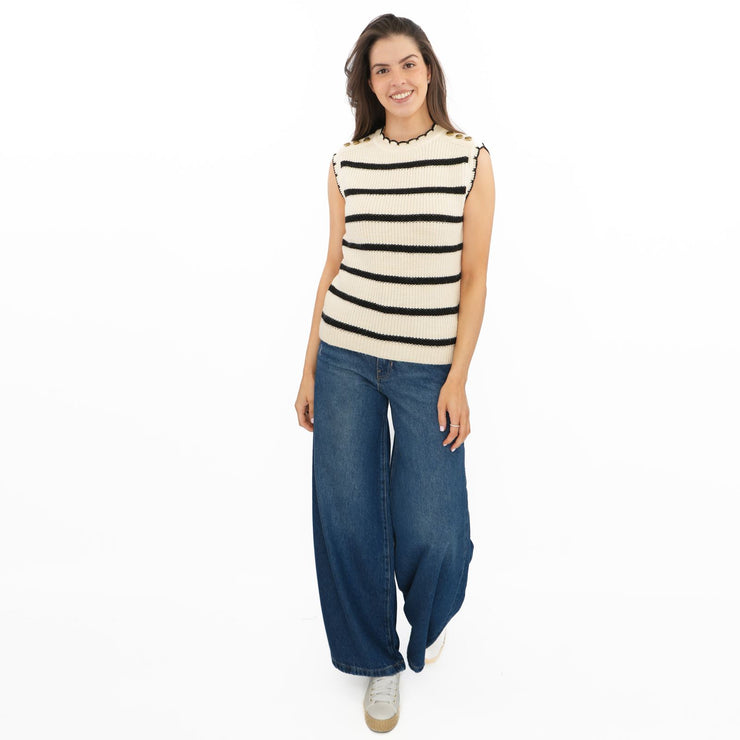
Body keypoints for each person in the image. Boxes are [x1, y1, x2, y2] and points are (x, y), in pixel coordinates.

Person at [294, 13, 495, 733]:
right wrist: (309, 368)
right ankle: (376, 661)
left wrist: (457, 377)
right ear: (368, 84)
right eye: (382, 69)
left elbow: (473, 278)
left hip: (426, 367)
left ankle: (430, 617)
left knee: (434, 528)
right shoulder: (347, 163)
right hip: (345, 354)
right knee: (347, 517)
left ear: (428, 69)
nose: (398, 79)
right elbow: (333, 266)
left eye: (408, 64)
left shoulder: (469, 159)